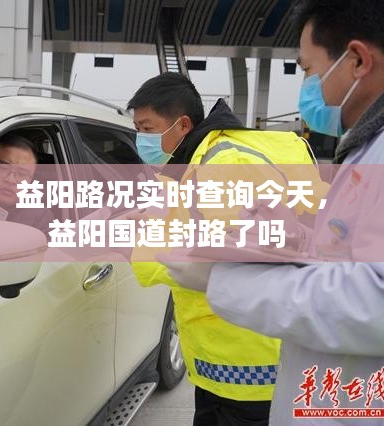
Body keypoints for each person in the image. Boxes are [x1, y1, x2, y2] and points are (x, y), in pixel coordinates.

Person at [196, 1, 384, 425]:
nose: (307, 88)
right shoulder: (366, 148)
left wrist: (223, 280)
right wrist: (302, 239)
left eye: (308, 69)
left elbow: (374, 300)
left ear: (357, 60)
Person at [127, 72, 321, 425]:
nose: (141, 138)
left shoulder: (225, 166)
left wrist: (140, 243)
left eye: (147, 128)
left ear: (182, 124)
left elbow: (237, 259)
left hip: (248, 362)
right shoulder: (194, 163)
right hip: (222, 358)